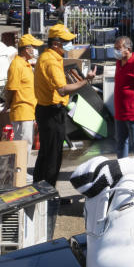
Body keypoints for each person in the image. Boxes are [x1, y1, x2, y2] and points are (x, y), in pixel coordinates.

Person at [34, 23, 94, 186]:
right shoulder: (51, 61)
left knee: (46, 153)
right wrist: (85, 81)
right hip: (51, 113)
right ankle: (48, 194)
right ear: (56, 43)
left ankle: (40, 189)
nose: (70, 45)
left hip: (46, 111)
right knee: (52, 156)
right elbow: (62, 89)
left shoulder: (48, 57)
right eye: (66, 42)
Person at [2, 33, 44, 153]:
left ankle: (22, 170)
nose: (35, 50)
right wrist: (7, 104)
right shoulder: (16, 65)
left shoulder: (26, 64)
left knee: (26, 145)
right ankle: (20, 171)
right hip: (22, 111)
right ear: (26, 49)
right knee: (23, 146)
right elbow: (11, 89)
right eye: (33, 48)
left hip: (28, 111)